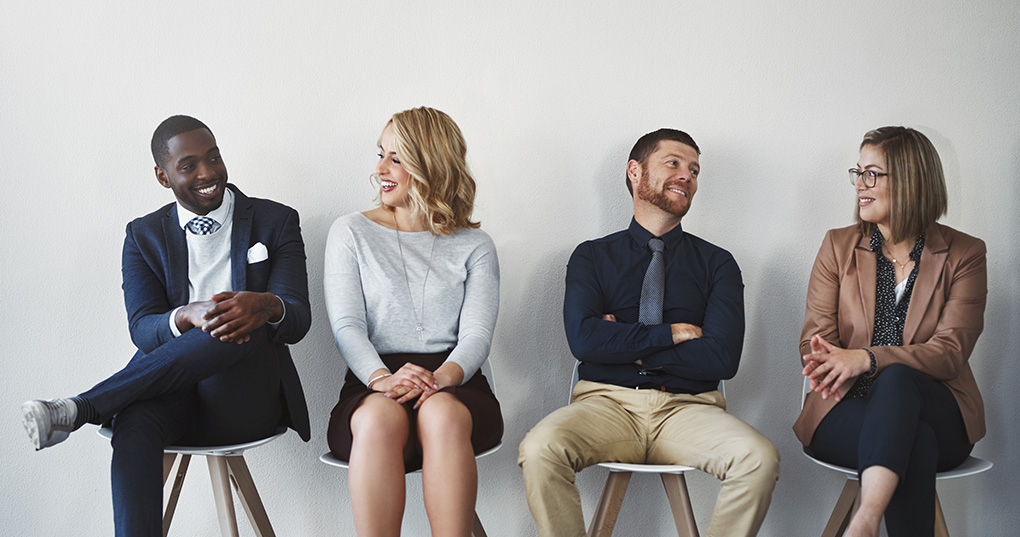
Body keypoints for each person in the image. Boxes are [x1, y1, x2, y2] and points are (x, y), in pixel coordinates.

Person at [20, 115, 312, 537]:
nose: (208, 172)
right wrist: (183, 316)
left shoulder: (276, 220)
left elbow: (298, 316)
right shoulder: (143, 235)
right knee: (135, 419)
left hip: (243, 399)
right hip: (169, 395)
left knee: (234, 325)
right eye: (189, 165)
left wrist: (265, 305)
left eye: (213, 157)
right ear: (163, 176)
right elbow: (142, 328)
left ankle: (79, 408)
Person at [519, 128, 780, 537]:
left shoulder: (718, 263)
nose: (687, 176)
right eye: (673, 163)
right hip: (606, 405)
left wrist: (625, 342)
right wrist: (670, 334)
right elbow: (584, 340)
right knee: (538, 449)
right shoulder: (591, 256)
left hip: (689, 409)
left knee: (759, 458)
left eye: (694, 169)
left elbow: (722, 358)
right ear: (635, 172)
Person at [793, 126, 986, 537]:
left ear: (912, 180)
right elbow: (815, 341)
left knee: (898, 380)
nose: (860, 186)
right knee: (912, 440)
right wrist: (829, 358)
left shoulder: (965, 254)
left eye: (873, 175)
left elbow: (951, 351)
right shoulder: (837, 246)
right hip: (846, 408)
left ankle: (864, 520)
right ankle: (867, 522)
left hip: (941, 409)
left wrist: (866, 358)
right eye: (858, 173)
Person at [324, 106, 502, 537]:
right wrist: (382, 378)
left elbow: (477, 335)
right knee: (378, 418)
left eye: (397, 158)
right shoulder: (350, 232)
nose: (380, 170)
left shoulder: (475, 245)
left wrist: (440, 379)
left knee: (439, 412)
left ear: (432, 164)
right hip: (374, 379)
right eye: (381, 154)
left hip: (457, 381)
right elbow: (347, 325)